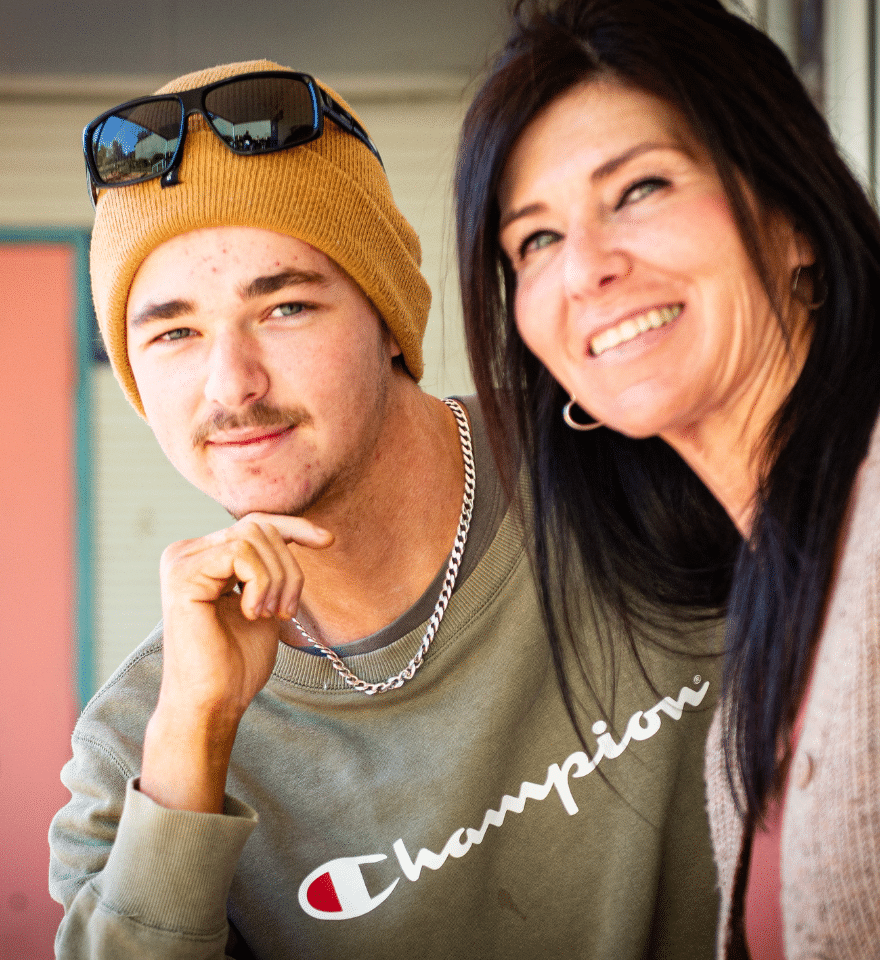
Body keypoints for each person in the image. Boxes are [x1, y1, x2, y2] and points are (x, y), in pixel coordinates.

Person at [49, 59, 723, 960]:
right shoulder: (140, 743)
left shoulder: (626, 461)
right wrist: (197, 739)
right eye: (173, 332)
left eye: (285, 307)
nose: (231, 385)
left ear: (389, 314)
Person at [454, 1, 880, 958]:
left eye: (639, 188)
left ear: (795, 217)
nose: (587, 270)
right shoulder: (757, 632)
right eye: (536, 241)